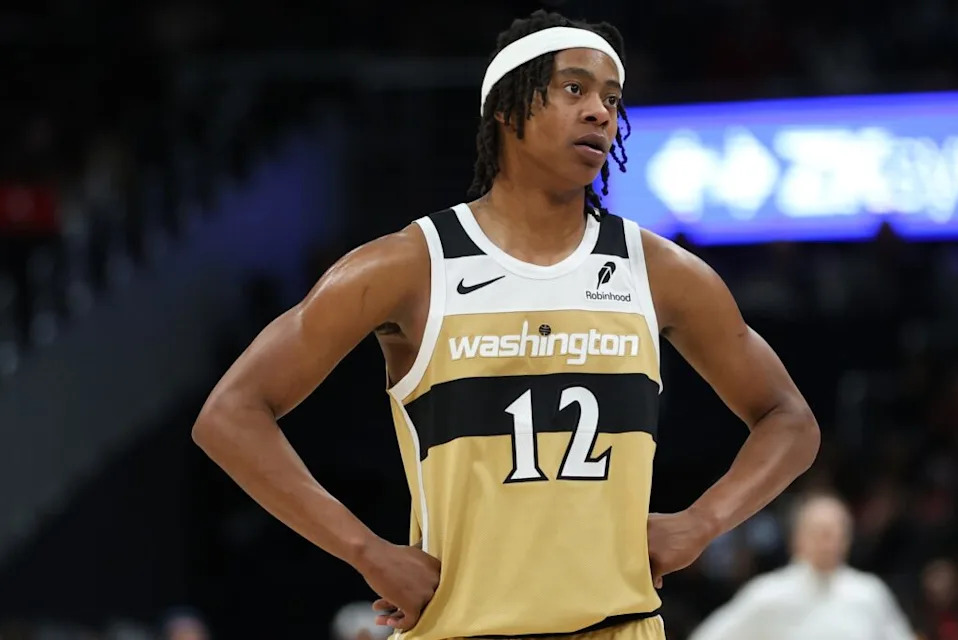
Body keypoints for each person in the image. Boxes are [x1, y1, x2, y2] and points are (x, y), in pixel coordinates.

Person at [191, 9, 820, 640]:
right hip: (464, 628)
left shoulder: (658, 271)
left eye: (611, 98)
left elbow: (790, 420)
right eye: (575, 89)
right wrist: (366, 551)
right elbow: (232, 414)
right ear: (506, 107)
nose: (601, 112)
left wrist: (702, 522)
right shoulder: (411, 265)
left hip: (619, 626)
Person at [689, 493, 915, 640]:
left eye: (837, 533)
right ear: (798, 537)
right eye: (821, 533)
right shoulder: (768, 593)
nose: (829, 542)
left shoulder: (869, 592)